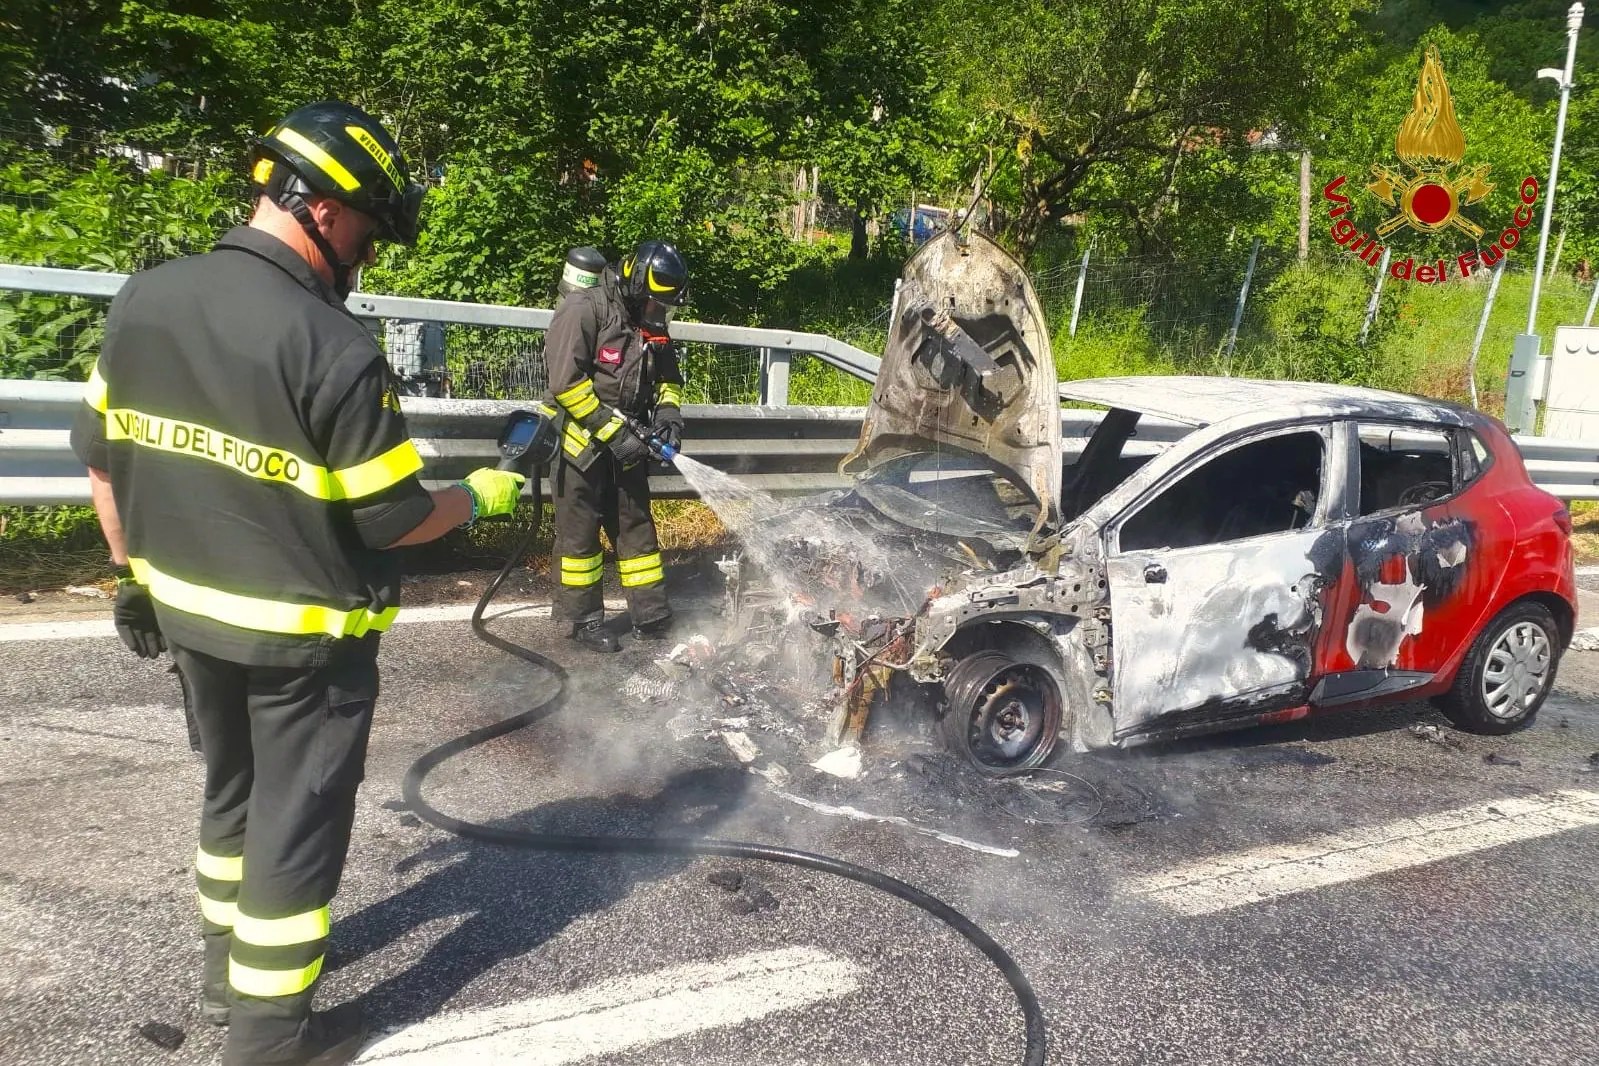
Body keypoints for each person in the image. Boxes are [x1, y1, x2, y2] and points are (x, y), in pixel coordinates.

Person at [69, 100, 525, 1066]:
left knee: (229, 796)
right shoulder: (332, 347)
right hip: (303, 646)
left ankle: (222, 977)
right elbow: (394, 519)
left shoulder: (147, 296)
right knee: (294, 827)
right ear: (323, 208)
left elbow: (106, 464)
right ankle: (272, 1039)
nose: (367, 254)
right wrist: (477, 496)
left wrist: (131, 580)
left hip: (185, 617)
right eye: (367, 228)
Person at [544, 240, 689, 653]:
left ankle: (651, 615)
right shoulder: (585, 309)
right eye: (656, 305)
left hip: (630, 442)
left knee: (636, 526)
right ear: (637, 287)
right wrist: (614, 433)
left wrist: (667, 416)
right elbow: (566, 386)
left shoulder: (650, 319)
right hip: (581, 446)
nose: (660, 315)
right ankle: (584, 621)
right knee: (579, 536)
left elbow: (668, 379)